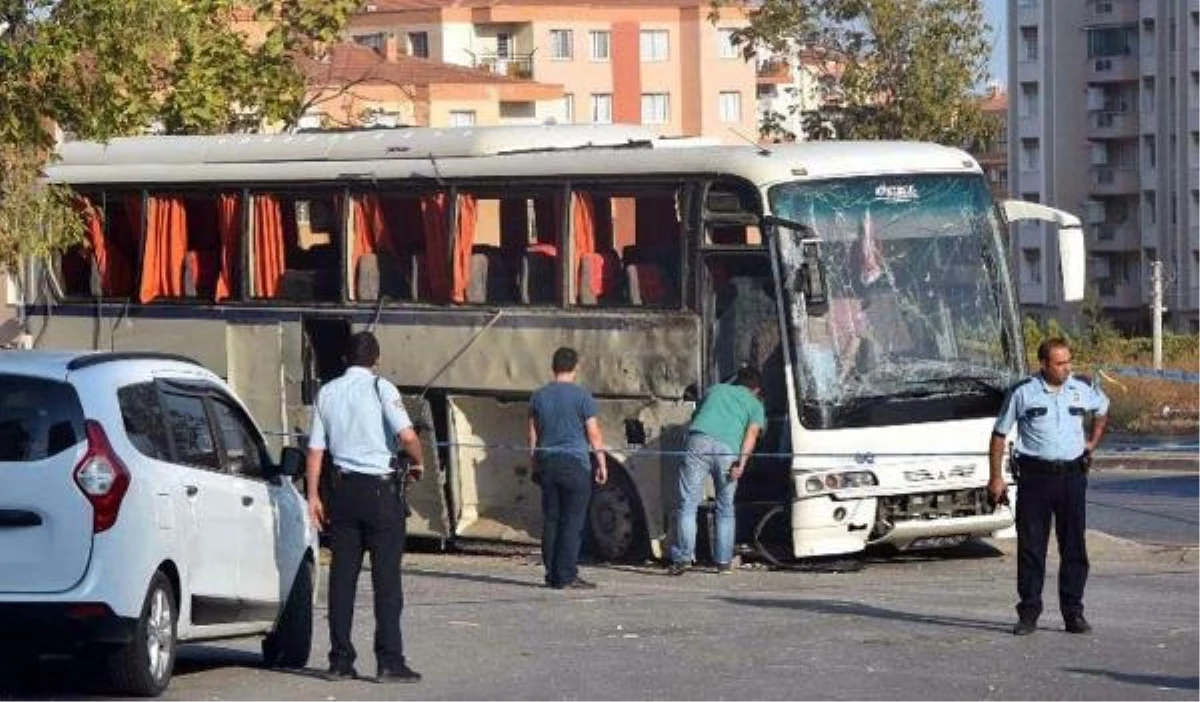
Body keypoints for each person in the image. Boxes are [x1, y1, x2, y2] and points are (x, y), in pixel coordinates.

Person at [305, 331, 425, 682]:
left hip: (342, 493)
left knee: (342, 578)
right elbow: (406, 436)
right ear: (377, 360)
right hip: (381, 494)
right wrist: (418, 463)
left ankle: (340, 660)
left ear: (345, 359)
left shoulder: (327, 392)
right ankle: (389, 660)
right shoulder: (381, 388)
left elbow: (315, 450)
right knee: (386, 581)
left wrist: (313, 495)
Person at [988, 337, 1109, 636]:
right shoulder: (1023, 392)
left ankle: (1074, 613)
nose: (1066, 368)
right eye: (1059, 363)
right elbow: (999, 435)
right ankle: (1028, 613)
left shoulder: (1082, 389)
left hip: (1072, 477)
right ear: (1043, 364)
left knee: (1074, 547)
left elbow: (1102, 409)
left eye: (1069, 361)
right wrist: (996, 477)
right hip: (1036, 478)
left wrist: (1091, 443)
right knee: (1032, 547)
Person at [668, 366, 766, 575]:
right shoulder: (755, 405)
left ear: (737, 381)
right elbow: (751, 435)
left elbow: (696, 415)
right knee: (725, 506)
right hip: (727, 450)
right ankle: (723, 562)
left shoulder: (716, 390)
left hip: (698, 442)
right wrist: (741, 463)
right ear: (756, 389)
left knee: (688, 503)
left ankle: (684, 558)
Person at [528, 346, 608, 589]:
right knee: (572, 522)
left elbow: (532, 434)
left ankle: (552, 573)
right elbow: (593, 433)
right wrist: (601, 462)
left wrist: (534, 462)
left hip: (548, 463)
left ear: (553, 367)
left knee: (552, 519)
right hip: (575, 464)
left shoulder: (538, 396)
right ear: (575, 368)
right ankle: (567, 574)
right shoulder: (582, 397)